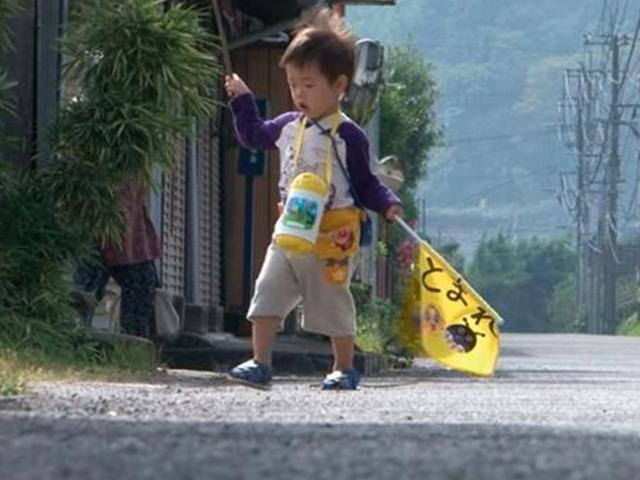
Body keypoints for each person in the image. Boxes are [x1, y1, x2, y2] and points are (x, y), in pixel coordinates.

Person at [224, 8, 401, 390]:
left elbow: (366, 181)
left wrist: (386, 202)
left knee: (332, 300)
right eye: (292, 85)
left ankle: (343, 367)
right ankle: (260, 362)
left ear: (338, 86)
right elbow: (253, 135)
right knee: (266, 293)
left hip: (331, 235)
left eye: (308, 84)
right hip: (289, 229)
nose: (299, 94)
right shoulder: (288, 126)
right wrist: (242, 100)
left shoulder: (347, 135)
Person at [73, 178, 161, 338]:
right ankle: (75, 341)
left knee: (140, 292)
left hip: (128, 235)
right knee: (83, 295)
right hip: (103, 232)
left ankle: (133, 349)